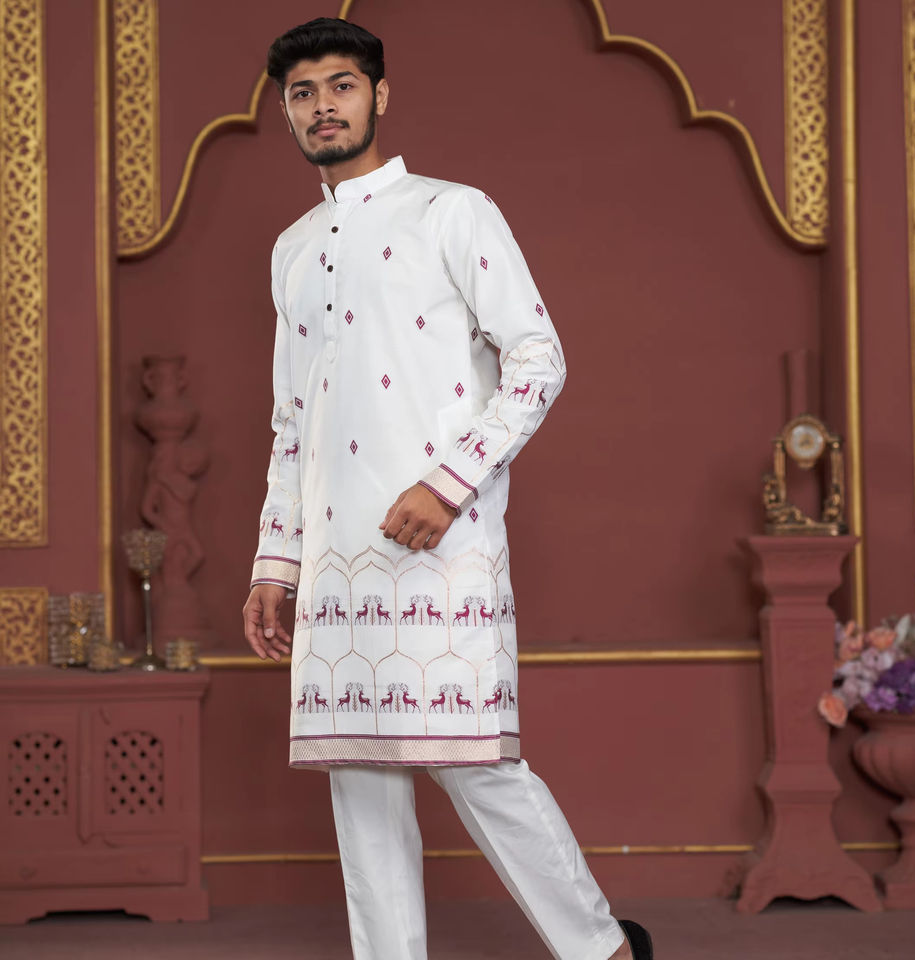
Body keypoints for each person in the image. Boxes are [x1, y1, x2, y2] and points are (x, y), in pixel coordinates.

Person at [241, 17, 653, 960]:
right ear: (286, 111)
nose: (323, 106)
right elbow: (291, 420)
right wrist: (274, 562)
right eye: (303, 93)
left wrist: (449, 483)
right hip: (337, 563)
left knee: (480, 769)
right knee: (361, 785)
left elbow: (538, 360)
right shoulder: (292, 249)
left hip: (441, 544)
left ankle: (603, 951)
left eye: (342, 85)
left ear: (379, 96)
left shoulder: (451, 212)